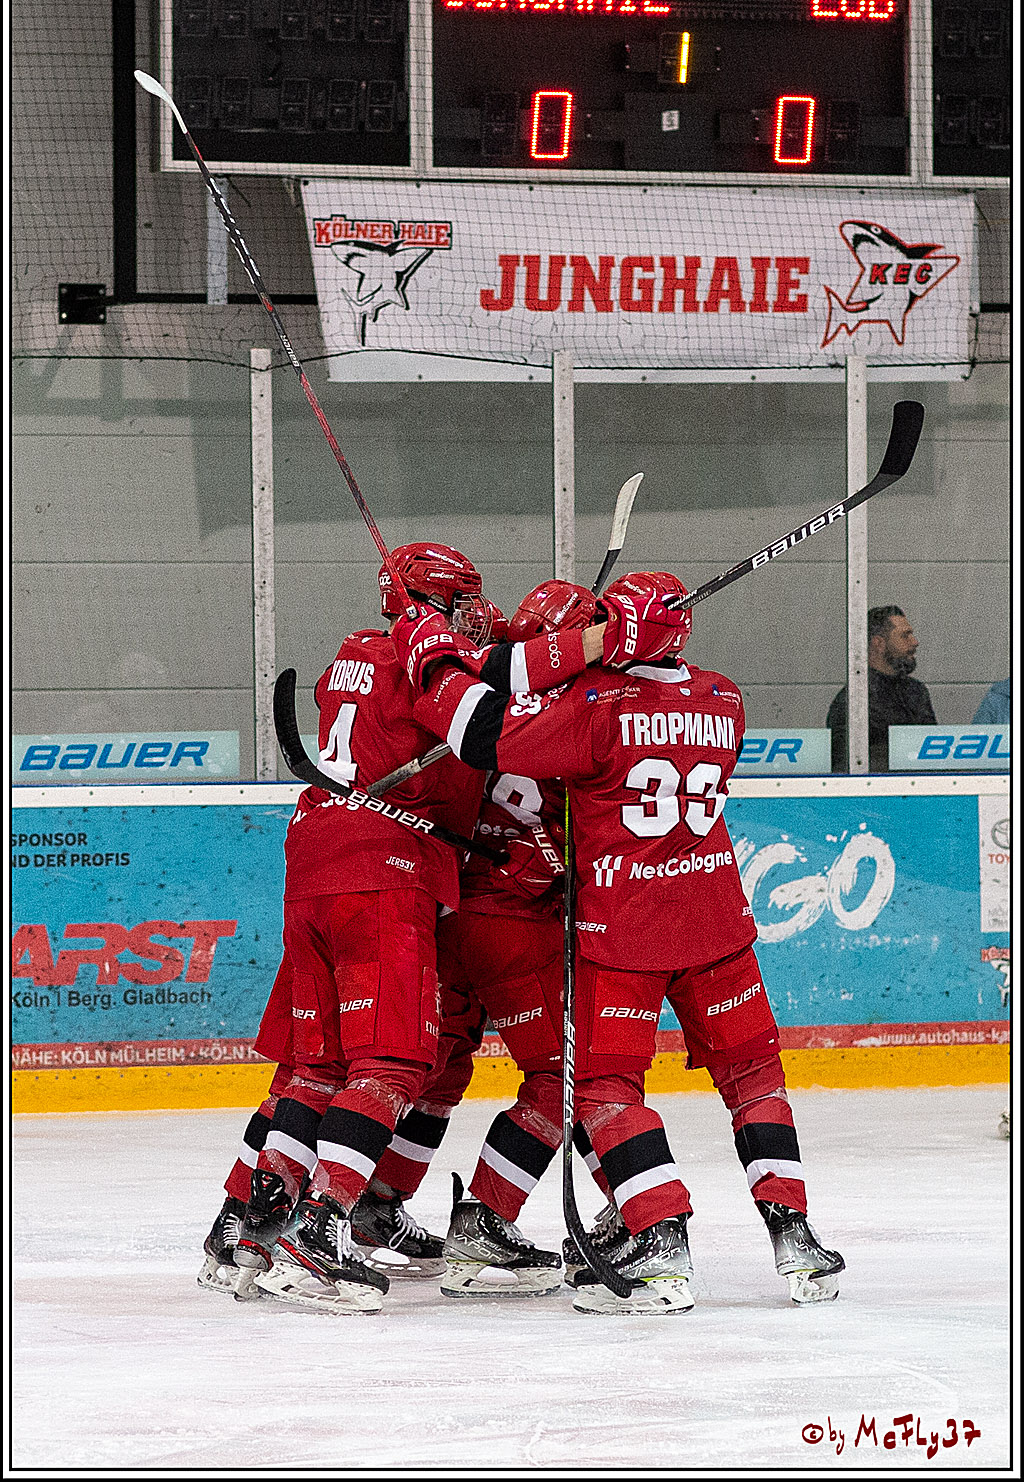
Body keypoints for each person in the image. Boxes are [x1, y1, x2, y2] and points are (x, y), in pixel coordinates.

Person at [397, 570, 844, 1315]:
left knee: (604, 1089)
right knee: (756, 1080)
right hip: (715, 924)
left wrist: (438, 661)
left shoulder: (596, 708)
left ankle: (659, 1246)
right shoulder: (724, 698)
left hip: (624, 932)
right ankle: (795, 1238)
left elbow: (482, 736)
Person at [220, 554, 608, 1313]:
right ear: (432, 601)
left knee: (324, 1065)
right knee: (398, 1063)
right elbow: (487, 693)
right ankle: (326, 1229)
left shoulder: (359, 650)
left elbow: (468, 676)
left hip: (332, 861)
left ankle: (248, 1224)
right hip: (405, 881)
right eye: (463, 600)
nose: (474, 611)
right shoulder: (448, 668)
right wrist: (593, 648)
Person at [827, 605, 936, 772]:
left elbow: (934, 754)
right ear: (878, 643)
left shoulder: (916, 691)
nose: (915, 642)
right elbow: (844, 768)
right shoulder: (855, 700)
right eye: (905, 636)